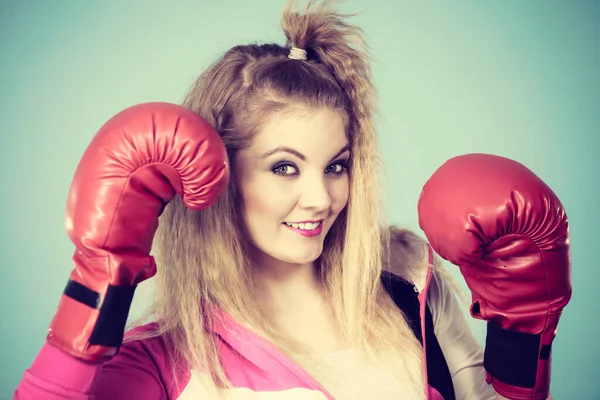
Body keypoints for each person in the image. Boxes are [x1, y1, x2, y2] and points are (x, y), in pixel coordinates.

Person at [14, 1, 570, 399]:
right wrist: (98, 277)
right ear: (220, 175)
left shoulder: (407, 282)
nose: (321, 198)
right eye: (285, 167)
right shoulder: (166, 361)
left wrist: (522, 331)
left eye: (336, 166)